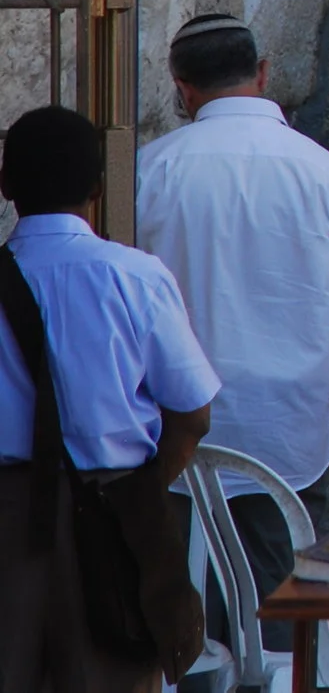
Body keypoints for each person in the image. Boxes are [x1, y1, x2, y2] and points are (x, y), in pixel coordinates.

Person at [135, 12, 329, 635]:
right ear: (261, 74)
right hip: (285, 430)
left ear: (182, 87)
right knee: (282, 620)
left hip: (178, 434)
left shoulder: (150, 171)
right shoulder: (326, 175)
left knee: (188, 624)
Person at [0, 106, 220, 693]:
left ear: (5, 187)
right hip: (114, 512)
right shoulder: (134, 277)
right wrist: (141, 489)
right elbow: (192, 413)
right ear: (99, 187)